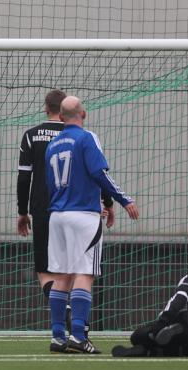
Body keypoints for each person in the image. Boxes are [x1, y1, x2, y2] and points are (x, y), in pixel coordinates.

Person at [45, 96, 139, 354]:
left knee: (61, 276)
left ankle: (57, 336)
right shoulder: (86, 139)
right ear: (83, 114)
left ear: (61, 117)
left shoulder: (53, 145)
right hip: (82, 216)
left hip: (57, 216)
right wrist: (122, 200)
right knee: (84, 275)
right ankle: (78, 336)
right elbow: (99, 173)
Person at [17, 90, 115, 338]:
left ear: (46, 108)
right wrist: (107, 202)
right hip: (78, 207)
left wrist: (22, 212)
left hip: (44, 209)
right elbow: (97, 172)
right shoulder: (79, 135)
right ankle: (77, 320)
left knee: (49, 271)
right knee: (79, 270)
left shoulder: (31, 136)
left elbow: (24, 176)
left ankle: (65, 316)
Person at [112, 250, 188, 357]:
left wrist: (161, 323)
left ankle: (161, 338)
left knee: (139, 336)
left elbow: (179, 299)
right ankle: (151, 351)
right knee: (184, 346)